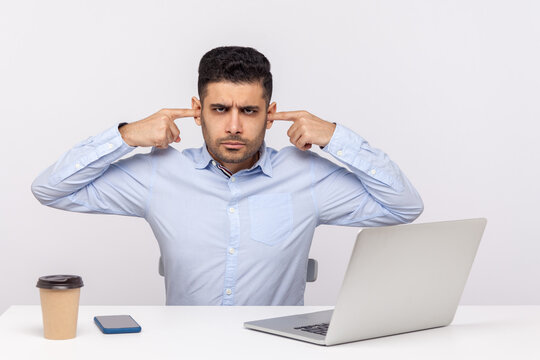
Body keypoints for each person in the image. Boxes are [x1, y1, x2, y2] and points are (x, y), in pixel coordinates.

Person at [31, 46, 424, 306]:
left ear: (270, 114)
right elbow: (50, 189)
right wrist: (126, 135)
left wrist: (338, 138)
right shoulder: (160, 173)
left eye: (249, 112)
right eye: (220, 110)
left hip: (277, 350)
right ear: (197, 110)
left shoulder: (306, 175)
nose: (234, 126)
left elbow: (404, 206)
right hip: (187, 349)